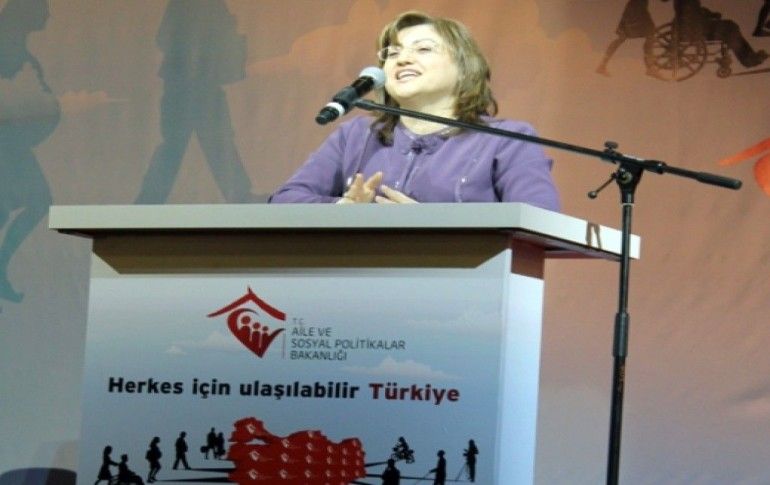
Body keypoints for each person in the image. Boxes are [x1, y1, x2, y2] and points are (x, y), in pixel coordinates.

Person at [269, 11, 560, 211]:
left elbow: (538, 218)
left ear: (464, 68)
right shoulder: (355, 135)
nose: (403, 59)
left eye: (423, 49)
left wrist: (431, 225)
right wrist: (343, 208)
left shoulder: (507, 140)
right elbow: (285, 200)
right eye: (393, 53)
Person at [667, 0, 768, 67]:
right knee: (730, 29)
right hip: (695, 30)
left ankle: (749, 56)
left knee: (730, 25)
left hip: (694, 27)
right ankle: (748, 59)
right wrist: (709, 15)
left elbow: (695, 12)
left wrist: (710, 14)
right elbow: (693, 15)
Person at [596, 0, 656, 76]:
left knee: (622, 37)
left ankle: (602, 65)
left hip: (634, 9)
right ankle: (650, 68)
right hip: (638, 9)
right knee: (650, 33)